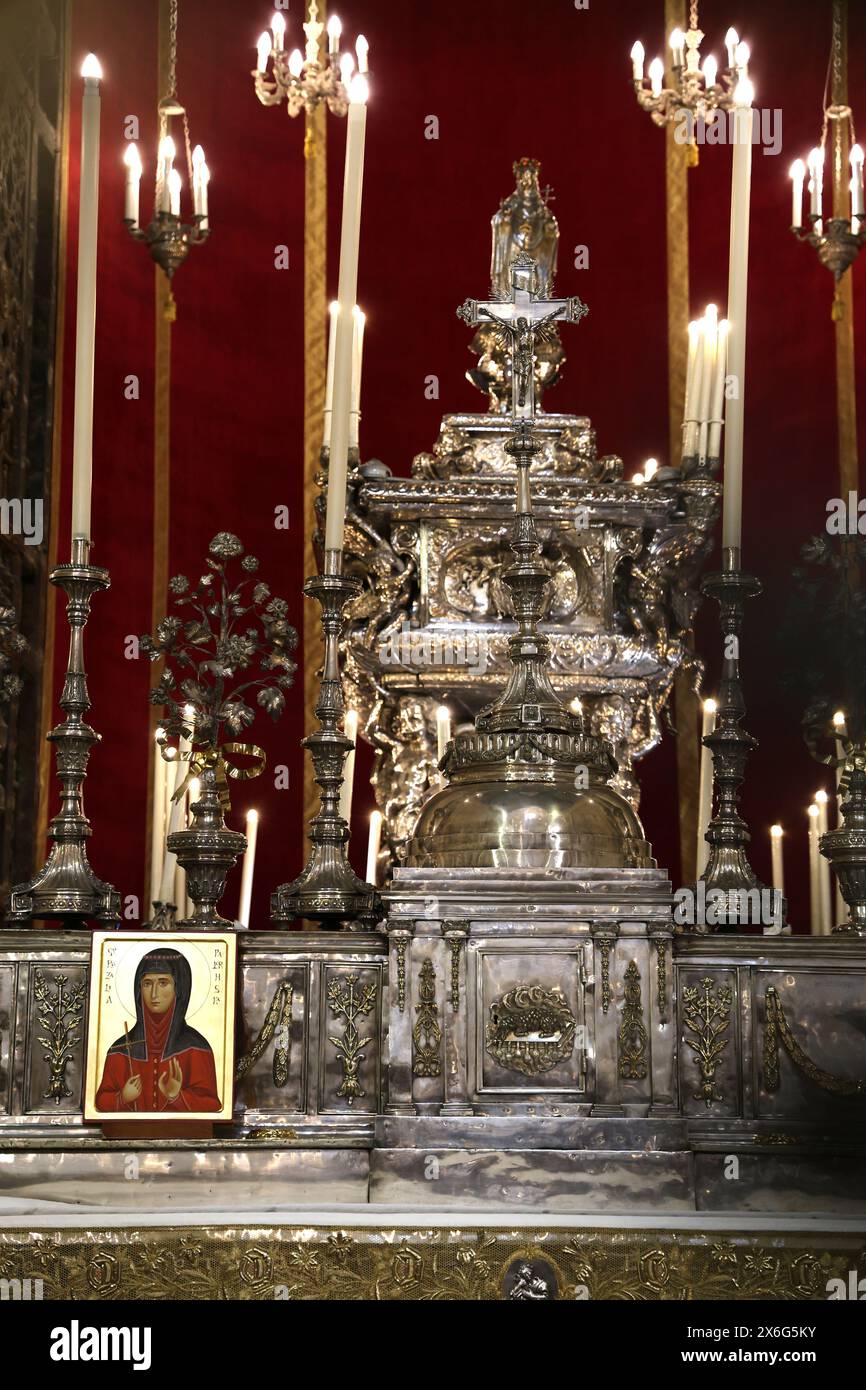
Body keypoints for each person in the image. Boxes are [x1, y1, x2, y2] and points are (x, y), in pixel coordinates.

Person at [95, 948, 222, 1113]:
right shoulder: (119, 1050)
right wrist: (122, 1098)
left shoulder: (196, 1048)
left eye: (163, 983)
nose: (154, 994)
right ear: (138, 990)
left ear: (179, 989)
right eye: (147, 984)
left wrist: (176, 1096)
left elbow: (212, 1105)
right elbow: (100, 1102)